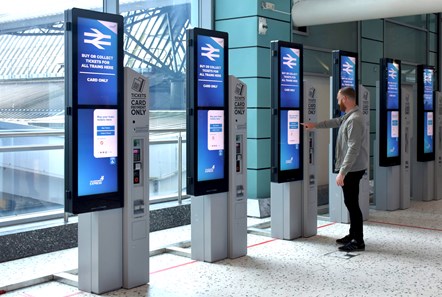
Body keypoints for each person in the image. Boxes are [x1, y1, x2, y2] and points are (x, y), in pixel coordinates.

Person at [301, 86, 368, 252]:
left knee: (352, 204)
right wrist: (314, 125)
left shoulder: (354, 120)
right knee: (350, 202)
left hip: (352, 169)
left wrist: (342, 172)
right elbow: (335, 122)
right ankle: (353, 235)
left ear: (345, 99)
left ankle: (358, 241)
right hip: (352, 168)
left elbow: (353, 148)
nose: (338, 101)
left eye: (339, 98)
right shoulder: (349, 116)